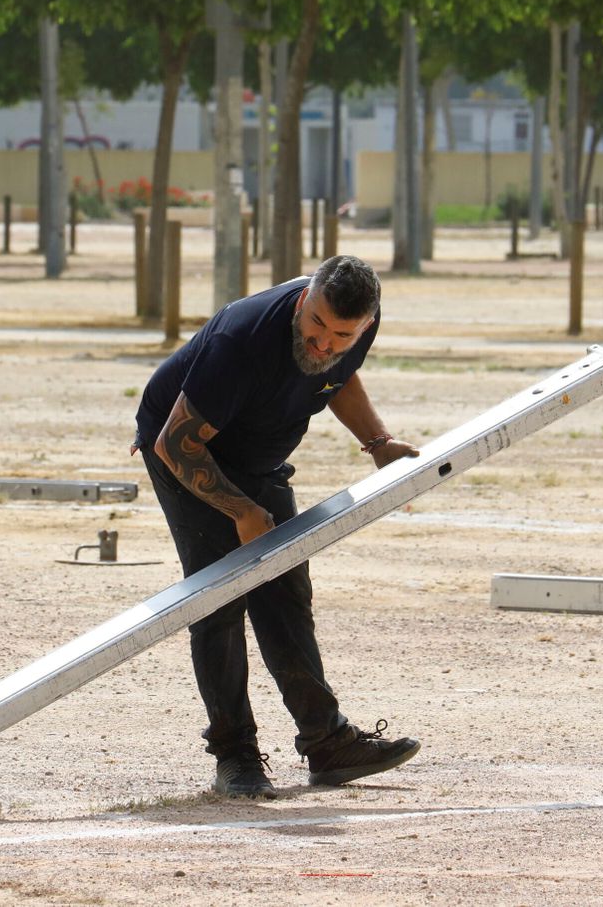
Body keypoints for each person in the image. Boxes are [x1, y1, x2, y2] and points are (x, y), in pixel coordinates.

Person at [133, 254, 422, 798]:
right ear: (304, 298)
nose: (324, 343)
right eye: (316, 324)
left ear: (365, 323)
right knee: (219, 598)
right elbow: (176, 442)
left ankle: (327, 742)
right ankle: (235, 756)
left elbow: (337, 376)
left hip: (258, 455)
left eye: (341, 334)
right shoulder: (242, 340)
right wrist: (242, 511)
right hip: (186, 451)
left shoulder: (357, 323)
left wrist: (378, 443)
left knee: (286, 593)